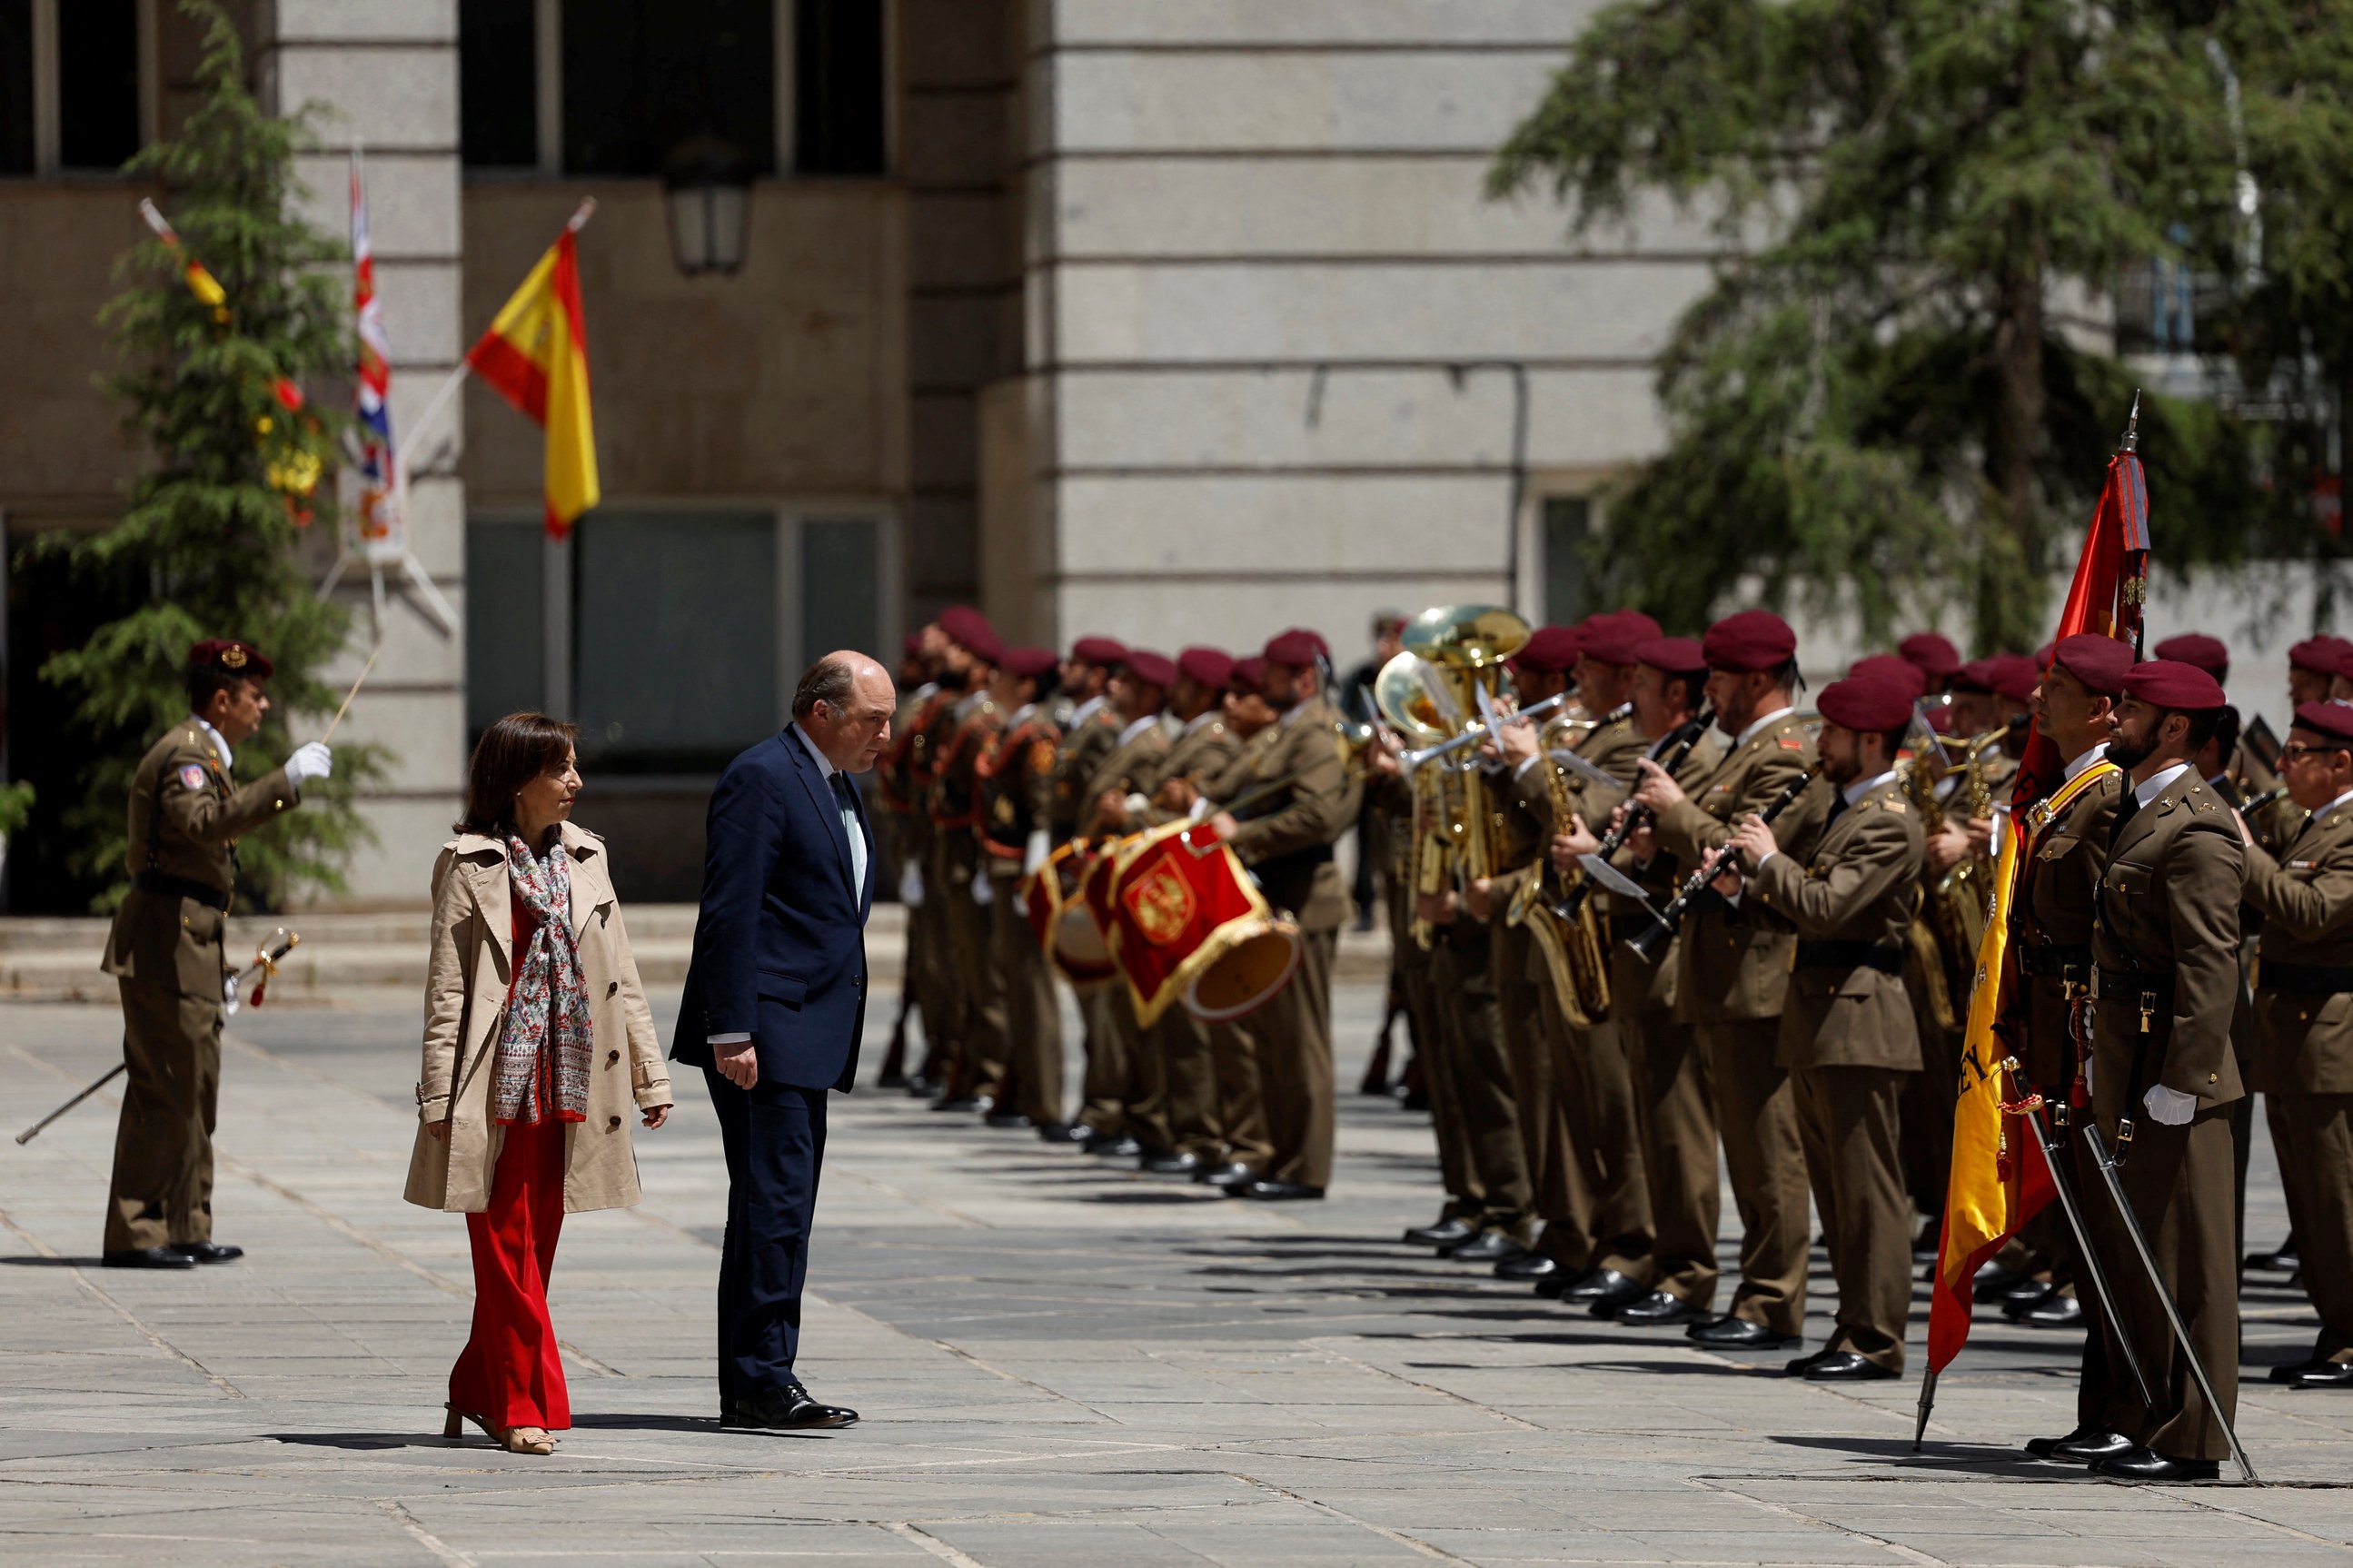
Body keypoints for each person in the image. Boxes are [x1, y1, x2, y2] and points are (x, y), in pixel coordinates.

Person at [408, 713, 673, 1455]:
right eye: (562, 770)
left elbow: (623, 979)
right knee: (503, 1247)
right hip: (490, 1087)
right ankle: (526, 1401)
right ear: (520, 778)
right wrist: (435, 1095)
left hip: (572, 1081)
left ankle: (476, 1385)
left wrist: (651, 1077)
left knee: (536, 1249)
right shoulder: (467, 866)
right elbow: (447, 993)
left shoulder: (590, 858)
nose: (576, 784)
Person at [672, 652, 895, 1432]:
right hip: (765, 1031)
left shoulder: (835, 783)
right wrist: (731, 1028)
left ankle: (761, 1374)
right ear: (822, 712)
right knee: (774, 1206)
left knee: (782, 1207)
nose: (886, 735)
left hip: (809, 1029)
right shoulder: (762, 776)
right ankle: (762, 1379)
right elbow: (730, 909)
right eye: (874, 719)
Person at [2038, 658, 2245, 1482]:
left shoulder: (2197, 826)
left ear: (2173, 728)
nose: (2113, 715)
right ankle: (2135, 1416)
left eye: (2132, 707)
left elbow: (2210, 971)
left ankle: (2194, 1441)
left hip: (2175, 1072)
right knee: (2136, 1252)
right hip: (2127, 1053)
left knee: (2192, 1264)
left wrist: (2181, 1082)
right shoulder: (2136, 809)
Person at [100, 639, 332, 1268]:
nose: (264, 705)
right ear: (222, 700)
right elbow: (203, 825)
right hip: (161, 946)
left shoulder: (207, 755)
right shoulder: (185, 756)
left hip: (189, 946)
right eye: (255, 696)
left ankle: (186, 1225)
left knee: (195, 1092)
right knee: (164, 1090)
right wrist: (284, 782)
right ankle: (134, 1230)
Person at [1633, 610, 1830, 1347]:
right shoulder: (1736, 750)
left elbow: (1744, 853)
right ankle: (1756, 1289)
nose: (1706, 691)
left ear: (1756, 679)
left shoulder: (1784, 751)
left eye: (1717, 678)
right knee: (1746, 1147)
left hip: (1758, 972)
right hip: (1722, 967)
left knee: (1767, 1147)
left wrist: (1677, 814)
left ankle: (1774, 1298)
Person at [1731, 674, 1924, 1380]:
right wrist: (1744, 884)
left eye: (1834, 733)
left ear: (1871, 742)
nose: (1820, 743)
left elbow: (1827, 906)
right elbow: (1799, 906)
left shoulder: (1888, 819)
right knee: (1839, 1191)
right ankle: (1851, 1326)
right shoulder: (1848, 810)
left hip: (1860, 1020)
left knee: (1868, 1193)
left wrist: (1768, 861)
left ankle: (1876, 1339)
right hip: (1821, 1017)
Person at [1210, 628, 1361, 1199]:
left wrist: (1243, 835)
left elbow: (1319, 817)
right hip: (1278, 897)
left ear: (1301, 677)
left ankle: (1305, 1167)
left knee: (1301, 1043)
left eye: (1274, 673)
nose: (1263, 682)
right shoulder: (1292, 727)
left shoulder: (1316, 731)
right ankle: (1277, 1157)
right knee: (1276, 1041)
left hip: (1307, 900)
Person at [2238, 700, 2353, 1389]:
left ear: (2341, 762)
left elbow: (2310, 912)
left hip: (2332, 1045)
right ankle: (2338, 1329)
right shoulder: (2319, 823)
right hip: (2293, 1041)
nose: (2283, 764)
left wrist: (2246, 853)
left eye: (2298, 751)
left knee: (2336, 1198)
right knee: (2310, 1202)